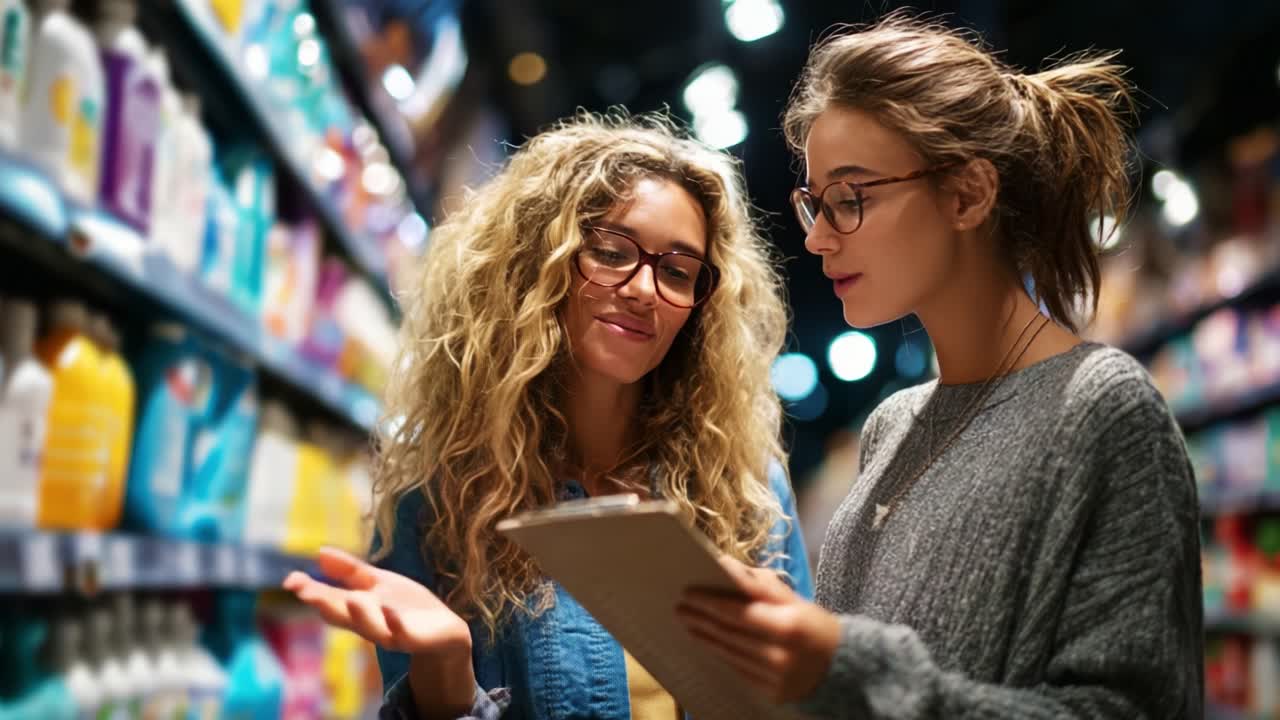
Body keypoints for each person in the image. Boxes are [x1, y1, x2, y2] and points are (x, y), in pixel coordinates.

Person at [677, 13, 1204, 719]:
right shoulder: (890, 427)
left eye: (851, 199)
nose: (820, 239)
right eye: (815, 204)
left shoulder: (1103, 410)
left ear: (967, 194)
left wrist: (843, 666)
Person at [282, 112, 813, 720]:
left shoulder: (744, 489)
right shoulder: (444, 497)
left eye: (677, 271)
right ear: (537, 264)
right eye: (612, 251)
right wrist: (447, 675)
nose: (644, 289)